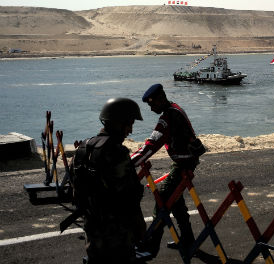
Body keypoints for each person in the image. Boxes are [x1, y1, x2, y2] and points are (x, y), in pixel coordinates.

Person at [131, 84, 206, 258]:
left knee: (163, 198)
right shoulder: (175, 108)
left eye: (152, 105)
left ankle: (150, 246)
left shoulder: (168, 117)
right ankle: (187, 239)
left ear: (160, 98)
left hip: (184, 163)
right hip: (186, 160)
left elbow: (151, 146)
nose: (151, 109)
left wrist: (130, 163)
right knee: (176, 200)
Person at [71, 98, 146, 264]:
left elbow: (76, 190)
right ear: (118, 123)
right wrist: (140, 228)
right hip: (117, 234)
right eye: (129, 124)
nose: (130, 130)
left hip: (92, 230)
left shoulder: (83, 148)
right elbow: (130, 197)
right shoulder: (116, 152)